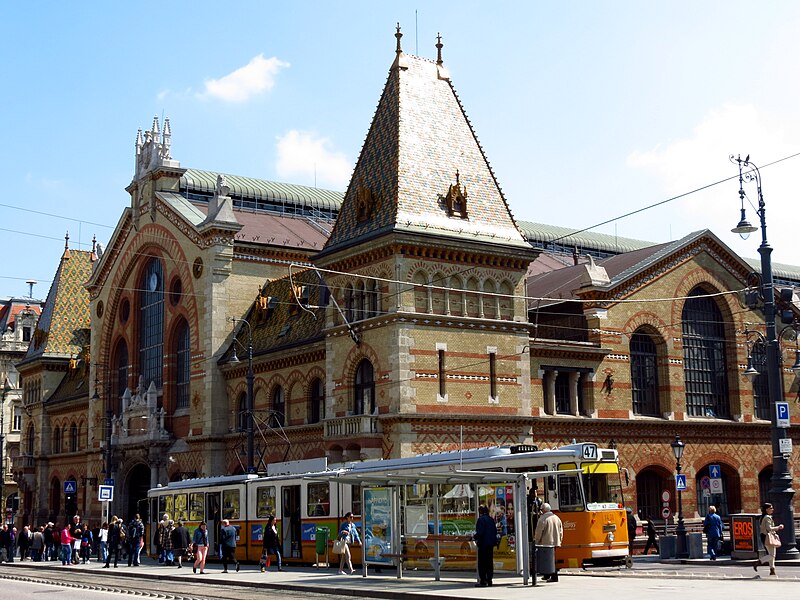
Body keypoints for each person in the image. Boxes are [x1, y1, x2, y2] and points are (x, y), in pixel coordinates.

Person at [534, 502, 563, 583]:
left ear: (543, 510)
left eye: (541, 510)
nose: (540, 511)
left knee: (547, 560)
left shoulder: (542, 519)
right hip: (555, 541)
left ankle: (554, 576)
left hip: (545, 542)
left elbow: (539, 532)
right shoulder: (556, 518)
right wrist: (560, 540)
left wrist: (536, 541)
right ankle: (547, 575)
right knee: (552, 559)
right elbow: (561, 531)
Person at [755, 502, 784, 576]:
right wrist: (778, 527)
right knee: (772, 555)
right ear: (767, 509)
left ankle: (772, 570)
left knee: (771, 554)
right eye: (771, 508)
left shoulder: (763, 517)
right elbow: (769, 528)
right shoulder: (767, 517)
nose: (772, 509)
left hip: (765, 536)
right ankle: (759, 562)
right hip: (767, 537)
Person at [474, 505, 497, 587]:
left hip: (483, 544)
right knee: (489, 562)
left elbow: (480, 533)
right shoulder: (491, 520)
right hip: (490, 544)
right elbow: (494, 531)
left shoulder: (480, 520)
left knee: (482, 563)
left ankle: (483, 580)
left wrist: (474, 536)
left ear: (480, 512)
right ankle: (489, 579)